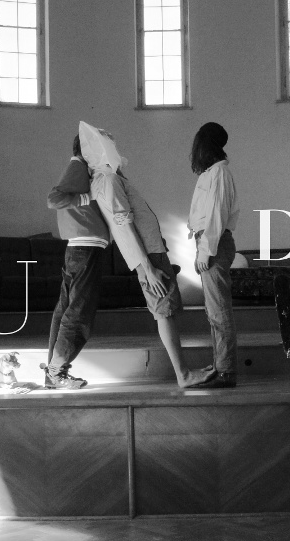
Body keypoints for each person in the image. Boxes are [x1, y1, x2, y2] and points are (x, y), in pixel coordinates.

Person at [80, 122, 215, 389]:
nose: (114, 146)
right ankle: (183, 375)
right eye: (109, 142)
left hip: (152, 252)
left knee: (167, 311)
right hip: (148, 257)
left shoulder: (110, 178)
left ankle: (184, 373)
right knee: (164, 312)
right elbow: (123, 226)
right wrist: (147, 268)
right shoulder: (108, 180)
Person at [41, 136, 113, 389]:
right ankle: (56, 372)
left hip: (80, 248)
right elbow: (54, 199)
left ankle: (53, 373)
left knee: (66, 311)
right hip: (86, 248)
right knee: (78, 313)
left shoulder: (82, 168)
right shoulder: (78, 165)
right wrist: (88, 197)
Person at [186, 122, 239, 388]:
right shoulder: (212, 172)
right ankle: (220, 365)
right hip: (210, 243)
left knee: (219, 311)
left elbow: (216, 215)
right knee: (214, 311)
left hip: (214, 245)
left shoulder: (219, 172)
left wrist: (206, 251)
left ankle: (226, 371)